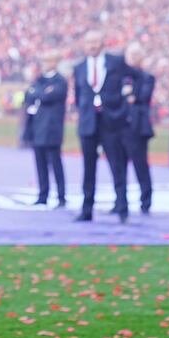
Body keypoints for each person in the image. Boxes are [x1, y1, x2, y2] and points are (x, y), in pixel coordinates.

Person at [73, 30, 135, 223]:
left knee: (117, 166)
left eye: (95, 41)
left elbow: (136, 77)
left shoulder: (115, 62)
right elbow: (78, 94)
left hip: (111, 121)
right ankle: (86, 210)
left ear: (102, 43)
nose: (92, 46)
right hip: (88, 122)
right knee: (88, 168)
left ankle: (122, 209)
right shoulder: (79, 67)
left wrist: (124, 104)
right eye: (88, 42)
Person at [23, 48, 67, 208]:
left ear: (56, 62)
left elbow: (46, 96)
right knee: (40, 163)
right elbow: (29, 95)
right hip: (37, 127)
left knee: (55, 164)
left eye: (49, 60)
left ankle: (61, 196)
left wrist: (38, 92)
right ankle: (43, 194)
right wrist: (39, 92)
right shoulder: (40, 80)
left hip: (52, 129)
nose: (45, 64)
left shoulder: (60, 81)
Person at [121, 42, 155, 215]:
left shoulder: (146, 77)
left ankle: (146, 200)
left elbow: (142, 97)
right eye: (130, 55)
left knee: (140, 164)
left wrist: (130, 94)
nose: (133, 58)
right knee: (119, 166)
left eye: (136, 55)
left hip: (138, 127)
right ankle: (121, 201)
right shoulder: (122, 77)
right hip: (121, 126)